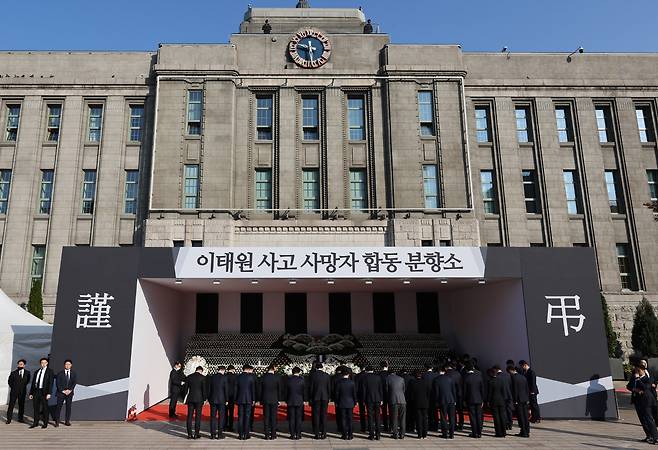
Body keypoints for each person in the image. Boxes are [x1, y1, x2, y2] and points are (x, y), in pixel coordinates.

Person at [628, 364, 658, 444]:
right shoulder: (634, 377)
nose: (637, 372)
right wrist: (635, 389)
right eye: (636, 370)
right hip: (637, 401)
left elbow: (645, 387)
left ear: (643, 370)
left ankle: (656, 437)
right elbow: (629, 386)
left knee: (649, 419)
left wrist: (638, 379)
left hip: (647, 401)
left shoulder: (647, 378)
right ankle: (649, 436)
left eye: (639, 370)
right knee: (642, 420)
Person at [29, 357, 54, 429]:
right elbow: (33, 383)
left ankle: (45, 423)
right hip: (36, 391)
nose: (43, 364)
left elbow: (50, 383)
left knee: (45, 408)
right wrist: (31, 393)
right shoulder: (37, 371)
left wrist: (49, 393)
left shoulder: (50, 371)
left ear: (47, 363)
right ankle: (35, 423)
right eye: (42, 362)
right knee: (35, 408)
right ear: (40, 363)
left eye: (44, 362)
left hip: (44, 392)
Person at [433, 366, 457, 439]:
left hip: (442, 401)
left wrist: (436, 402)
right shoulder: (450, 378)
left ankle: (445, 434)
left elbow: (436, 393)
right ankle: (452, 434)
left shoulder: (436, 380)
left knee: (443, 418)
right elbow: (453, 391)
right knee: (452, 418)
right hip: (451, 400)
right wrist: (455, 400)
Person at [309, 362, 331, 439]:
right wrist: (329, 397)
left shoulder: (313, 376)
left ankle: (316, 433)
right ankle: (324, 433)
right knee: (324, 415)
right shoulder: (327, 375)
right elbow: (328, 388)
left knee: (316, 415)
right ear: (322, 367)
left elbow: (311, 388)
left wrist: (310, 398)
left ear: (316, 368)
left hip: (316, 397)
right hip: (325, 397)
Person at [259, 365, 281, 440]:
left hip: (265, 399)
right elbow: (279, 390)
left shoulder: (263, 377)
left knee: (266, 417)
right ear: (273, 369)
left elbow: (260, 390)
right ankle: (273, 434)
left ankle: (266, 435)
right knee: (274, 417)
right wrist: (279, 399)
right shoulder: (277, 377)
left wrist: (260, 399)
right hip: (274, 399)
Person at [463, 362, 484, 438]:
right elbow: (482, 389)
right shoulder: (479, 376)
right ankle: (479, 432)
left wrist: (464, 400)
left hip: (470, 399)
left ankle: (474, 432)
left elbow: (465, 391)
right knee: (479, 416)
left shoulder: (466, 378)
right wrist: (482, 399)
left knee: (472, 417)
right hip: (479, 399)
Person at [408, 370, 431, 439]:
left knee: (418, 419)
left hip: (416, 403)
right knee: (425, 419)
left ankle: (420, 434)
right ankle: (425, 434)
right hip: (425, 403)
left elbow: (411, 394)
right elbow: (428, 393)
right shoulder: (426, 382)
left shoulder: (412, 383)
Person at [508, 365, 530, 438]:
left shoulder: (514, 378)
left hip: (519, 400)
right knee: (525, 416)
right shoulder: (523, 377)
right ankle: (527, 430)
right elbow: (527, 389)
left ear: (511, 370)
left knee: (521, 416)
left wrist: (515, 400)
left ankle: (523, 431)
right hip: (525, 399)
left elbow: (515, 390)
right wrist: (527, 398)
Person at [6, 359, 30, 424]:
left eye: (21, 364)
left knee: (21, 405)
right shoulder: (13, 373)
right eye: (19, 364)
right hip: (14, 392)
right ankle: (9, 419)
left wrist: (21, 388)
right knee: (11, 405)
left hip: (22, 392)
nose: (20, 365)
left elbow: (27, 381)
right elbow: (9, 381)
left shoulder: (27, 373)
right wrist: (14, 388)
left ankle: (20, 418)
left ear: (24, 365)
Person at [235, 364, 256, 440]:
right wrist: (253, 399)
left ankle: (240, 435)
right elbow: (252, 389)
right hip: (248, 399)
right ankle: (246, 434)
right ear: (247, 369)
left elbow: (236, 390)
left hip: (240, 399)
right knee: (247, 417)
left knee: (240, 417)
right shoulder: (251, 377)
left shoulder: (238, 377)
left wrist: (235, 399)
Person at [185, 366, 206, 439]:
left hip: (190, 398)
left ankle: (189, 434)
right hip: (199, 399)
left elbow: (185, 389)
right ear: (201, 371)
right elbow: (204, 390)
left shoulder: (189, 377)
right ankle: (196, 434)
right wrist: (204, 399)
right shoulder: (202, 378)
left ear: (196, 370)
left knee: (189, 416)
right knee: (198, 417)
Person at [334, 369, 356, 440]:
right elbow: (354, 394)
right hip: (350, 402)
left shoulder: (338, 383)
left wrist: (336, 402)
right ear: (348, 374)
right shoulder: (352, 383)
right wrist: (355, 402)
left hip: (342, 402)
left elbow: (337, 394)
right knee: (350, 419)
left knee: (343, 419)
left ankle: (344, 434)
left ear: (342, 374)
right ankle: (350, 434)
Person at [54, 359, 77, 427]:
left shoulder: (73, 373)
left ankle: (67, 421)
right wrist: (63, 391)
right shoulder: (60, 373)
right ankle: (57, 422)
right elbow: (58, 383)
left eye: (69, 364)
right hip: (61, 393)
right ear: (64, 365)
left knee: (68, 407)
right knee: (58, 407)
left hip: (69, 393)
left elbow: (74, 383)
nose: (67, 365)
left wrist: (70, 390)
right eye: (66, 364)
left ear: (71, 365)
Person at [363, 366, 383, 440]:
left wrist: (364, 400)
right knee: (377, 417)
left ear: (367, 371)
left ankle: (371, 435)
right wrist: (381, 399)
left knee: (370, 417)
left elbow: (364, 390)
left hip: (369, 399)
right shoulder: (378, 377)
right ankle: (378, 435)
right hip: (377, 399)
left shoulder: (365, 378)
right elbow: (380, 389)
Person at [208, 365, 228, 440]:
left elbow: (209, 388)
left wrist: (209, 398)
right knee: (221, 417)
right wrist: (226, 400)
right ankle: (220, 434)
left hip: (213, 399)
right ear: (223, 370)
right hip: (222, 400)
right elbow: (226, 389)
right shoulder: (224, 378)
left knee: (213, 417)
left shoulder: (212, 377)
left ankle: (212, 434)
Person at [487, 366, 508, 438]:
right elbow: (504, 391)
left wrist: (488, 401)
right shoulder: (501, 380)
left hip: (494, 401)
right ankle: (504, 432)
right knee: (502, 416)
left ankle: (498, 432)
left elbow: (489, 393)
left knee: (496, 417)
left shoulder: (490, 381)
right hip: (502, 400)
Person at [286, 366, 305, 440]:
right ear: (299, 372)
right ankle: (298, 434)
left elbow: (286, 391)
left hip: (290, 400)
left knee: (292, 418)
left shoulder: (288, 380)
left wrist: (286, 400)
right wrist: (304, 399)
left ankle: (292, 434)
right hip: (299, 400)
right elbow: (304, 391)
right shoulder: (302, 380)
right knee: (298, 418)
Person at [387, 370, 407, 439]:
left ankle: (395, 434)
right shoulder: (401, 379)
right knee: (402, 418)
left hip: (393, 400)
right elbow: (404, 390)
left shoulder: (388, 379)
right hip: (402, 400)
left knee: (394, 418)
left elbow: (386, 390)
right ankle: (402, 434)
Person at [446, 361, 464, 431]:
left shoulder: (447, 374)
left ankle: (454, 424)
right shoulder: (458, 373)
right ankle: (461, 424)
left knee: (452, 411)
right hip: (459, 394)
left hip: (451, 394)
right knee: (460, 411)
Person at [422, 363, 439, 432]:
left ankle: (428, 426)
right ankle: (435, 426)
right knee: (434, 412)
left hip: (426, 396)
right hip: (434, 395)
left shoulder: (424, 375)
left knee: (427, 412)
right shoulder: (436, 375)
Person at [378, 361, 391, 432]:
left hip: (382, 395)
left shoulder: (379, 375)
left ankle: (385, 426)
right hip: (390, 394)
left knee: (384, 411)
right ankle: (392, 426)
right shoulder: (390, 374)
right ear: (387, 366)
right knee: (392, 411)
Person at [354, 366, 367, 432]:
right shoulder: (369, 375)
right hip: (369, 396)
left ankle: (363, 427)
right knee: (370, 413)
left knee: (362, 413)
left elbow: (356, 388)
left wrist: (355, 398)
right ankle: (371, 427)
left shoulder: (357, 376)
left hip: (361, 396)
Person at [224, 365, 237, 432]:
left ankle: (224, 426)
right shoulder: (235, 377)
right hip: (232, 397)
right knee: (231, 413)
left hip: (224, 396)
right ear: (233, 369)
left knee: (224, 412)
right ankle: (230, 427)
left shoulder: (224, 376)